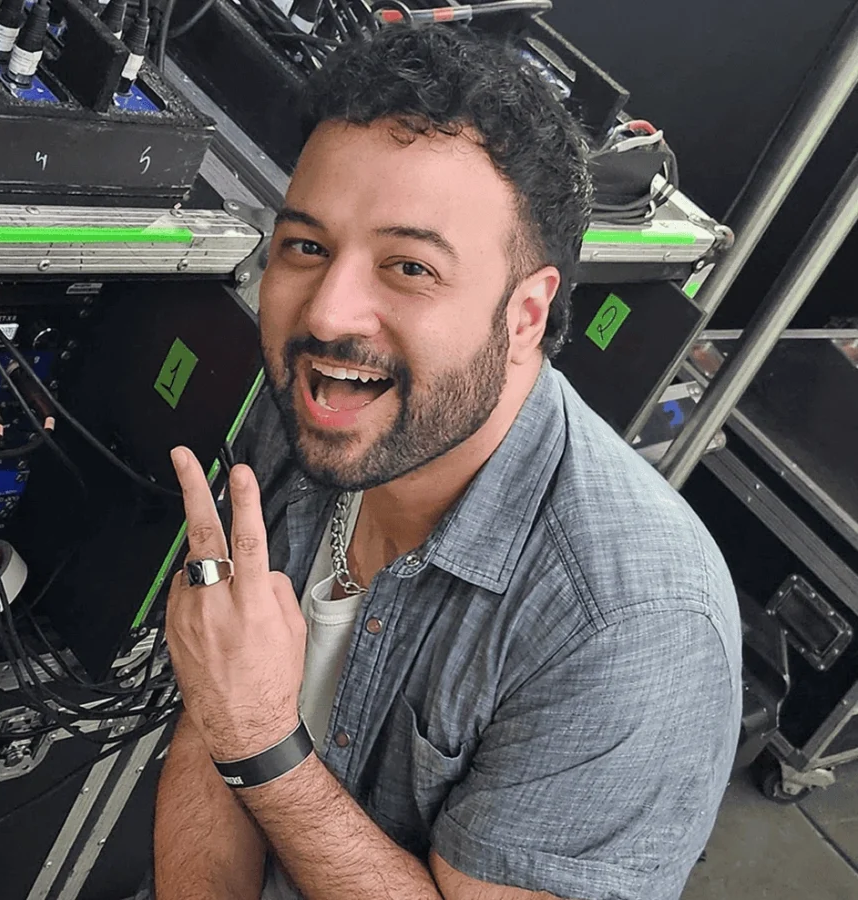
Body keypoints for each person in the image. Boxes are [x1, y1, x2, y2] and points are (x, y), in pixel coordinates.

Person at [154, 23, 742, 900]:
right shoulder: (317, 417)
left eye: (409, 267)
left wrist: (260, 745)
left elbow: (234, 725)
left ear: (527, 315)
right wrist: (231, 721)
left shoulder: (635, 630)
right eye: (307, 246)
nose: (327, 313)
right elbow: (215, 718)